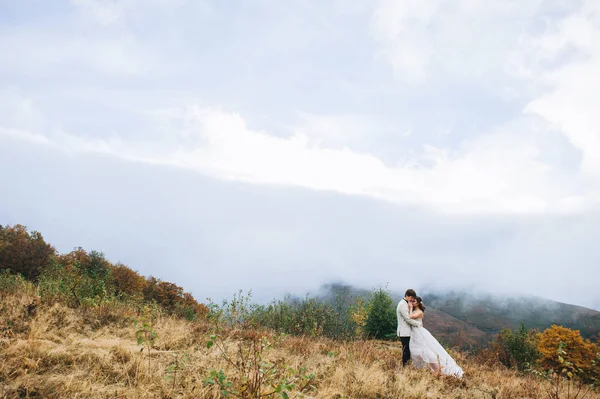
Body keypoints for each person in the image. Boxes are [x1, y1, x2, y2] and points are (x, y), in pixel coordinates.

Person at [408, 296, 464, 378]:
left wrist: (410, 308)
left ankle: (439, 370)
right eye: (411, 301)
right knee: (416, 349)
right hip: (415, 332)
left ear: (417, 303)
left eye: (414, 301)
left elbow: (410, 317)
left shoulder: (419, 311)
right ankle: (433, 369)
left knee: (428, 349)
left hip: (420, 332)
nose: (412, 302)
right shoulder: (415, 310)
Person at [396, 289, 422, 366]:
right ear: (407, 295)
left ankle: (406, 366)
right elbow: (407, 319)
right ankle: (405, 367)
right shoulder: (402, 305)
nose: (412, 299)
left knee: (407, 350)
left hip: (407, 331)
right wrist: (418, 324)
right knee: (406, 350)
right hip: (404, 332)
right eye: (411, 297)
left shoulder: (405, 303)